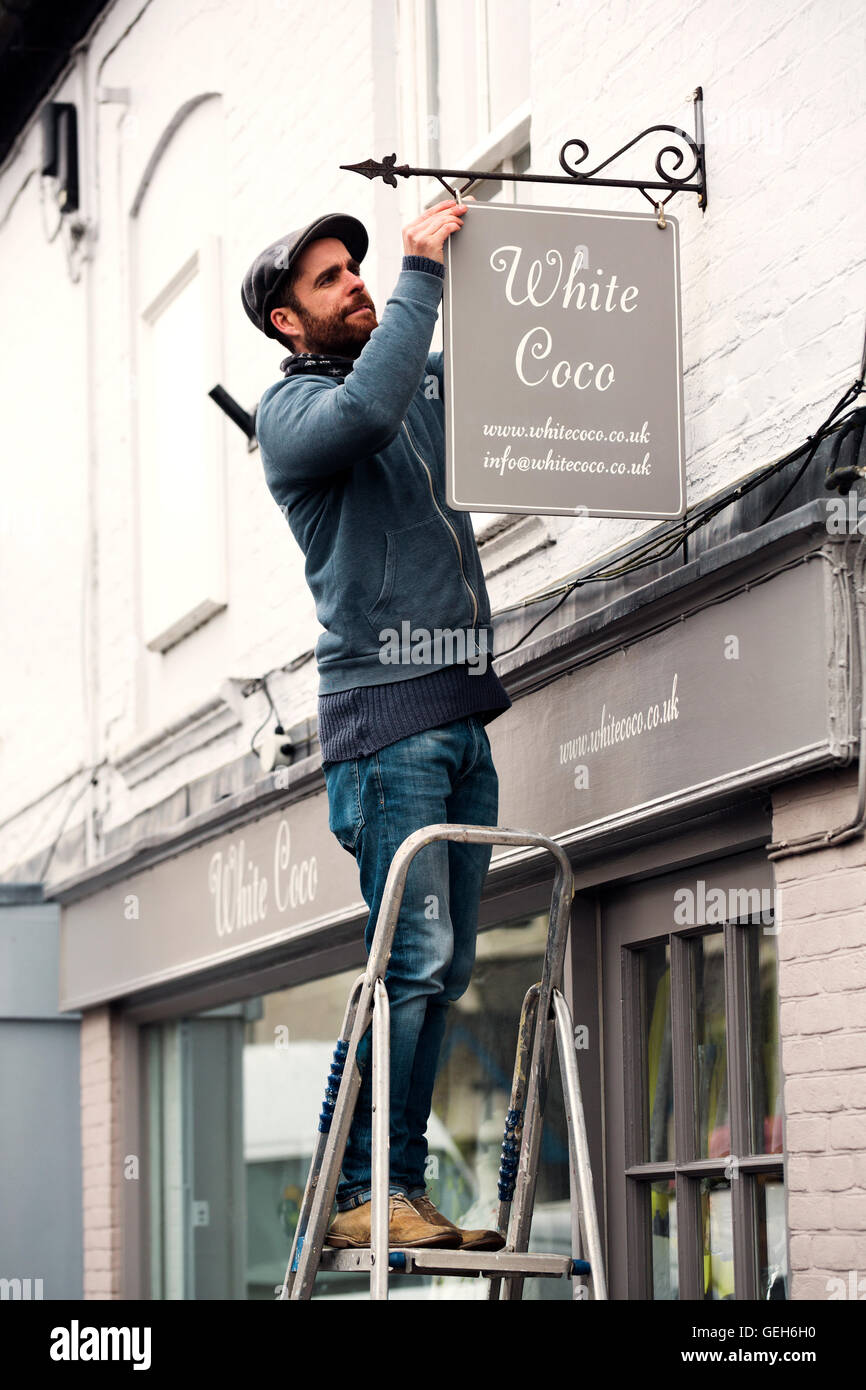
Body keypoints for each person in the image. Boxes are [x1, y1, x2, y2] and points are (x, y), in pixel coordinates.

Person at [241, 200, 512, 1251]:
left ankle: (383, 1182)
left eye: (357, 267)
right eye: (328, 279)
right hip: (385, 721)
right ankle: (360, 1187)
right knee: (413, 957)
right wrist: (419, 271)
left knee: (439, 966)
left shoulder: (406, 390)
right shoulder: (292, 415)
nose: (355, 282)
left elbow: (469, 401)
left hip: (456, 707)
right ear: (285, 324)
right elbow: (364, 412)